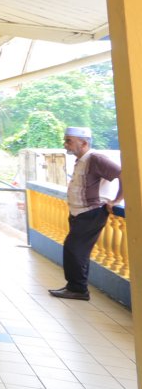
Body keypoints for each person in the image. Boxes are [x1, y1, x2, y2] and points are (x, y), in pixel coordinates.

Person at [50, 127, 123, 300]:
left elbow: (123, 174)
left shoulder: (96, 158)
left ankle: (78, 289)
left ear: (84, 142)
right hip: (79, 212)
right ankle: (76, 287)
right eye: (66, 140)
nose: (65, 143)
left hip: (92, 212)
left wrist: (117, 200)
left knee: (73, 248)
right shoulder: (81, 160)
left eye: (69, 140)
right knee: (78, 251)